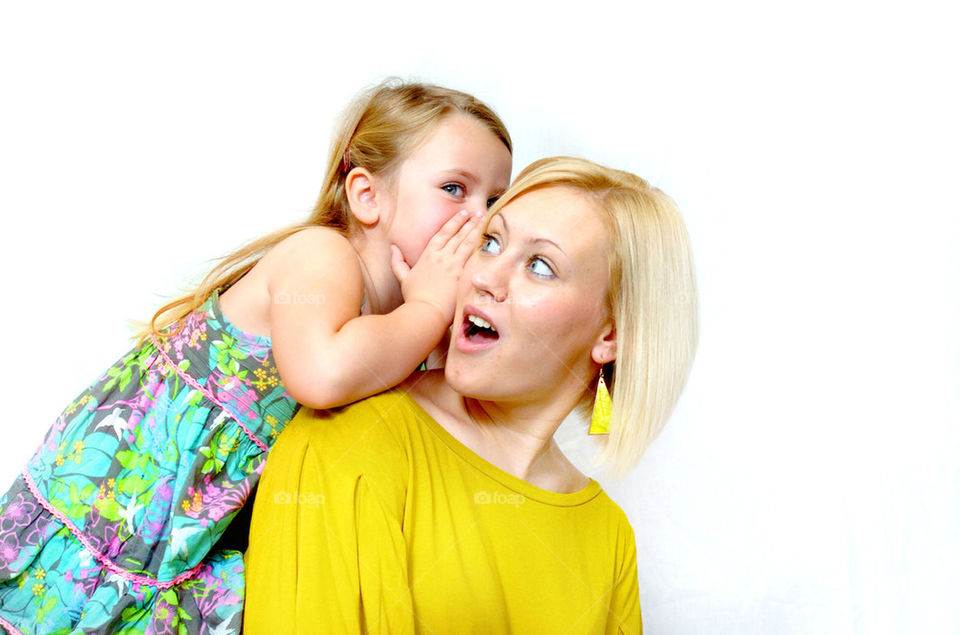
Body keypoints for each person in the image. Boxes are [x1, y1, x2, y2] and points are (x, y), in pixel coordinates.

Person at [0, 81, 512, 634]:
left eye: (494, 202)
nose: (478, 217)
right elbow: (321, 374)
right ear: (368, 196)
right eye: (455, 188)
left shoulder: (408, 327)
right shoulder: (324, 256)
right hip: (129, 492)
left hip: (198, 519)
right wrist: (430, 307)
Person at [243, 156, 699, 633]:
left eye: (540, 266)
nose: (483, 277)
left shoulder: (609, 536)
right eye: (490, 242)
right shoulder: (351, 443)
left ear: (611, 335)